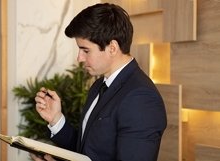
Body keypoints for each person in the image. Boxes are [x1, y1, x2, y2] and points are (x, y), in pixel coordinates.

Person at [31, 3, 167, 161]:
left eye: (86, 50)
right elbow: (87, 151)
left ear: (112, 48)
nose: (79, 58)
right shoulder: (98, 85)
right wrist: (56, 119)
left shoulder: (141, 98)